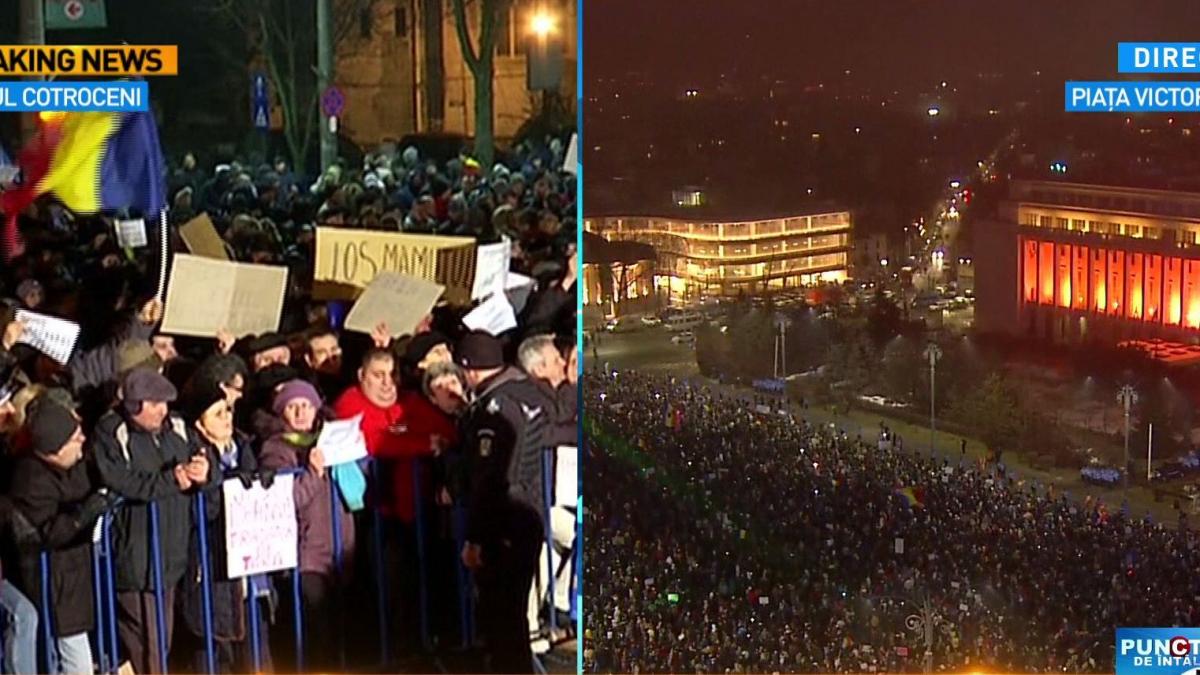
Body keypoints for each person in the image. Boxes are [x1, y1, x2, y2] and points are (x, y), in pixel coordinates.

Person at [93, 367, 212, 674]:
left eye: (165, 402)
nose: (163, 410)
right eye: (155, 403)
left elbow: (204, 459)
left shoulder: (177, 427)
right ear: (133, 405)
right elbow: (121, 480)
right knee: (148, 642)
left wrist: (203, 471)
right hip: (135, 554)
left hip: (171, 553)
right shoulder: (110, 432)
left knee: (161, 639)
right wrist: (172, 480)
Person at [456, 331, 551, 673]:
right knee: (513, 617)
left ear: (469, 369)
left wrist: (476, 537)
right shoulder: (531, 394)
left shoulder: (493, 410)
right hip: (530, 514)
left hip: (504, 524)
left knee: (502, 621)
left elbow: (489, 478)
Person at [10, 395, 114, 674]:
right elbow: (47, 533)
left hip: (81, 576)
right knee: (75, 660)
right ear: (54, 450)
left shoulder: (77, 463)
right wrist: (83, 514)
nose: (82, 440)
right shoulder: (30, 479)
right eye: (73, 438)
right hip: (56, 583)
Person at [259, 379, 355, 670]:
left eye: (307, 405)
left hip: (341, 544)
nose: (301, 412)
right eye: (293, 406)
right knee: (316, 622)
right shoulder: (276, 449)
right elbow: (286, 498)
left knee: (341, 620)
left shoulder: (330, 439)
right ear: (282, 412)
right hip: (306, 550)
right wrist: (313, 473)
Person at [179, 380, 271, 673]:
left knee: (257, 653)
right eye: (218, 413)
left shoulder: (244, 447)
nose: (227, 418)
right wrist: (213, 484)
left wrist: (262, 480)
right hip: (211, 569)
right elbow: (201, 513)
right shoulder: (193, 458)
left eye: (228, 410)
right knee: (215, 650)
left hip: (250, 573)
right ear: (200, 424)